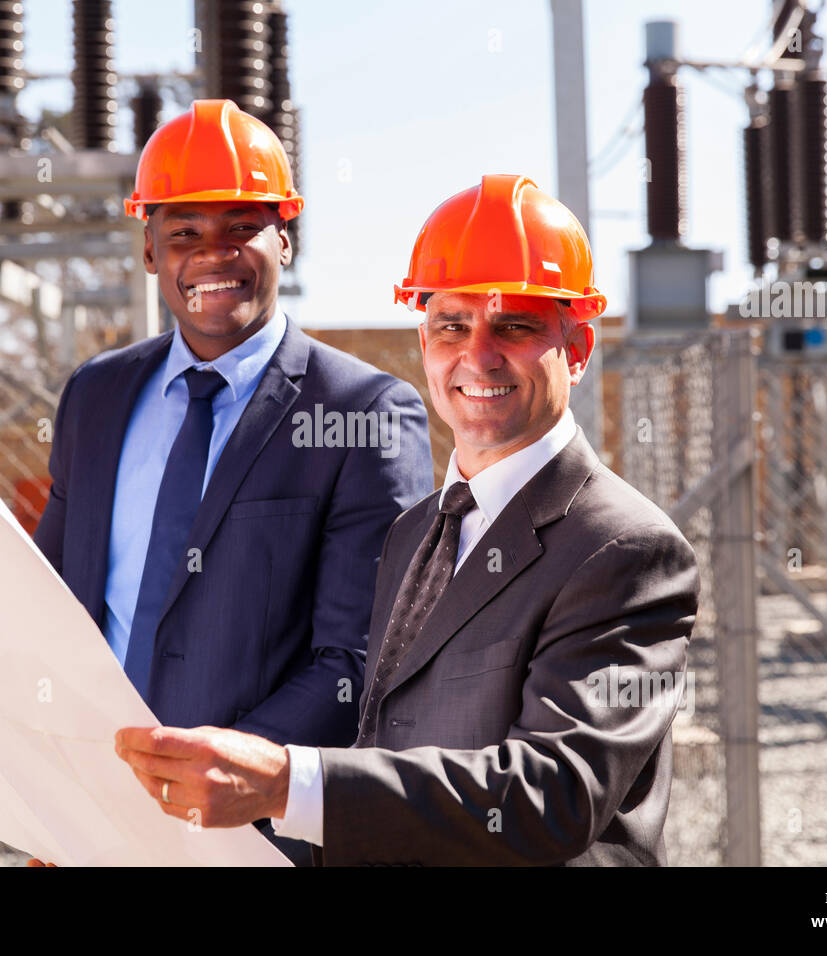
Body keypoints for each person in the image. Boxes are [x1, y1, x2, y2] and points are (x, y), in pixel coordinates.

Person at [0, 100, 434, 864]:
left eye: (240, 227)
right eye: (184, 232)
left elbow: (361, 663)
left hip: (254, 840)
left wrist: (204, 778)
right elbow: (45, 604)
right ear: (150, 250)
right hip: (85, 821)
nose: (212, 256)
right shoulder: (98, 396)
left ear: (285, 236)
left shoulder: (363, 415)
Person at [113, 174, 700, 865]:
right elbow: (385, 752)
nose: (477, 355)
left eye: (515, 324)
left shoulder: (624, 549)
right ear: (424, 343)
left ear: (576, 350)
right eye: (452, 325)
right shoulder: (416, 532)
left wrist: (287, 783)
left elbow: (556, 793)